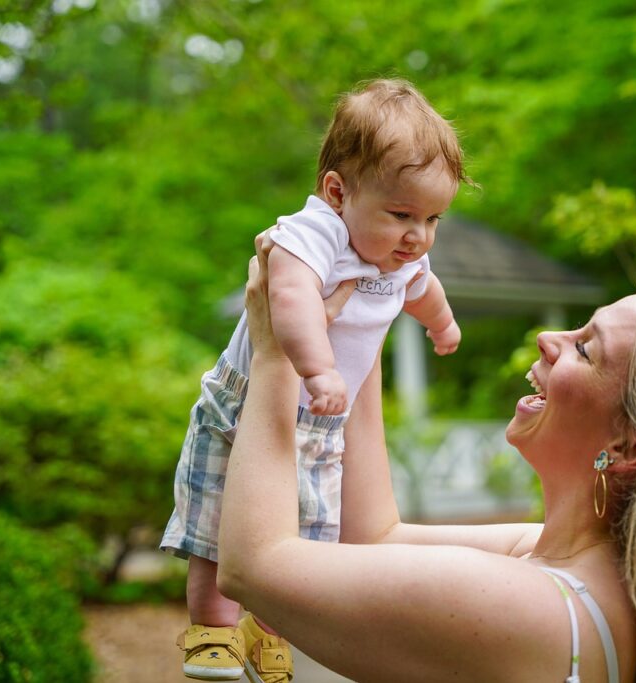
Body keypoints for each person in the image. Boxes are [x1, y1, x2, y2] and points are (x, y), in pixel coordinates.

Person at [215, 235, 636, 682]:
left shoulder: (534, 608)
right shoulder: (574, 562)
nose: (551, 340)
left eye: (586, 350)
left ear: (630, 446)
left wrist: (276, 352)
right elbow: (372, 536)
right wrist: (366, 313)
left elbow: (253, 566)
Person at [160, 79, 470, 682]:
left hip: (321, 421)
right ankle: (214, 632)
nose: (419, 236)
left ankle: (268, 631)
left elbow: (423, 290)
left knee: (305, 539)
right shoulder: (315, 232)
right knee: (215, 526)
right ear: (337, 191)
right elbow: (290, 295)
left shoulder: (402, 256)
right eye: (402, 214)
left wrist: (443, 324)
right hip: (248, 403)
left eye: (433, 218)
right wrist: (319, 366)